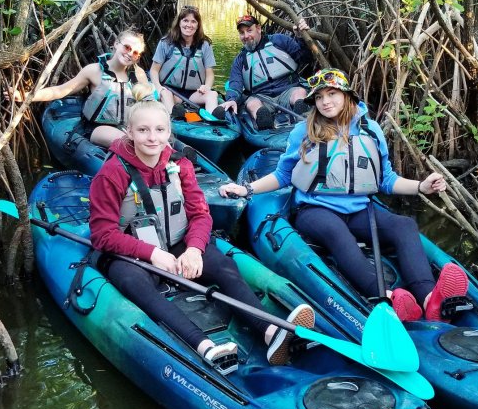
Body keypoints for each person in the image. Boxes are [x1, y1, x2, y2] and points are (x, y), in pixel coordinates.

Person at [219, 68, 469, 322]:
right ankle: (389, 298)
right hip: (314, 210)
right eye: (319, 97)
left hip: (359, 210)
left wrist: (421, 187)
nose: (325, 102)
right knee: (337, 232)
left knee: (404, 225)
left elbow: (386, 180)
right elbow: (284, 175)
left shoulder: (370, 130)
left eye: (332, 94)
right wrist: (247, 189)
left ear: (347, 94)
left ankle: (429, 299)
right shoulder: (303, 132)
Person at [89, 95, 315, 374]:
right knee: (134, 282)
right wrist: (153, 254)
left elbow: (200, 215)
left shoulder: (180, 165)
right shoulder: (112, 172)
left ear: (169, 132)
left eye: (159, 130)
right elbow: (102, 235)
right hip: (132, 253)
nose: (152, 138)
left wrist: (194, 249)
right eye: (143, 130)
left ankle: (269, 330)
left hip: (178, 244)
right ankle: (204, 346)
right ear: (130, 133)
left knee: (223, 265)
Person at [19, 29, 150, 147]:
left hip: (126, 127)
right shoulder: (94, 71)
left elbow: (149, 106)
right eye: (127, 47)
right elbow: (60, 91)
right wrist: (26, 96)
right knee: (132, 143)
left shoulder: (139, 75)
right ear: (116, 44)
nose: (130, 54)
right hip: (96, 128)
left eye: (135, 53)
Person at [221, 15, 312, 130]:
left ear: (258, 29)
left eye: (249, 30)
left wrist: (301, 38)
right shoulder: (240, 59)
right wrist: (232, 99)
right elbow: (235, 84)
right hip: (261, 97)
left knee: (300, 92)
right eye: (242, 33)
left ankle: (304, 125)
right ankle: (265, 124)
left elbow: (305, 57)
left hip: (288, 90)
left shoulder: (279, 40)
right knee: (252, 104)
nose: (246, 36)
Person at [149, 6, 223, 119]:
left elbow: (210, 73)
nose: (189, 25)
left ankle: (213, 120)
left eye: (193, 21)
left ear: (198, 25)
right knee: (165, 93)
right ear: (179, 23)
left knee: (212, 94)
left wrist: (207, 86)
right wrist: (158, 87)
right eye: (185, 20)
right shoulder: (166, 42)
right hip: (171, 92)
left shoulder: (205, 45)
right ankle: (175, 117)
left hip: (193, 94)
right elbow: (154, 70)